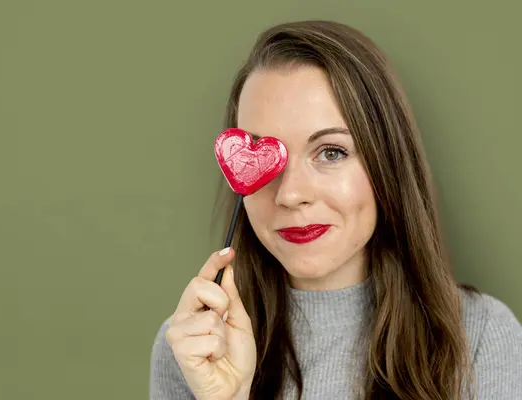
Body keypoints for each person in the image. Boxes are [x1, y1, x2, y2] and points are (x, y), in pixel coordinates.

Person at [149, 20, 522, 399]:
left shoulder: (481, 336)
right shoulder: (193, 347)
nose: (290, 195)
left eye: (331, 152)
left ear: (386, 164)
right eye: (264, 157)